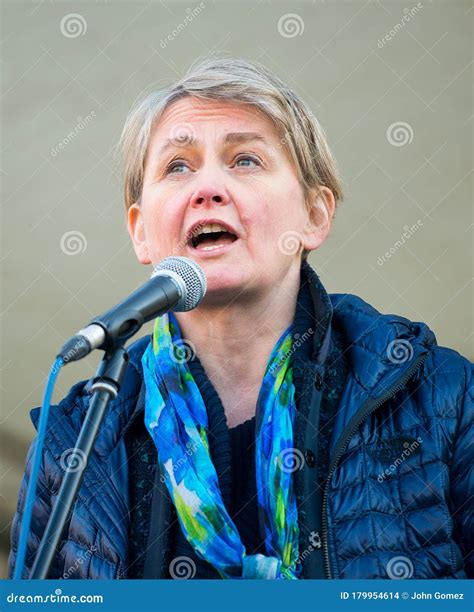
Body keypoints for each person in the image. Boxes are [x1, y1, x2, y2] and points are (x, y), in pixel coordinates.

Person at [8, 56, 473, 580]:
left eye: (246, 160)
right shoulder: (72, 441)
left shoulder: (443, 395)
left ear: (314, 216)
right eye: (177, 166)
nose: (207, 188)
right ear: (140, 231)